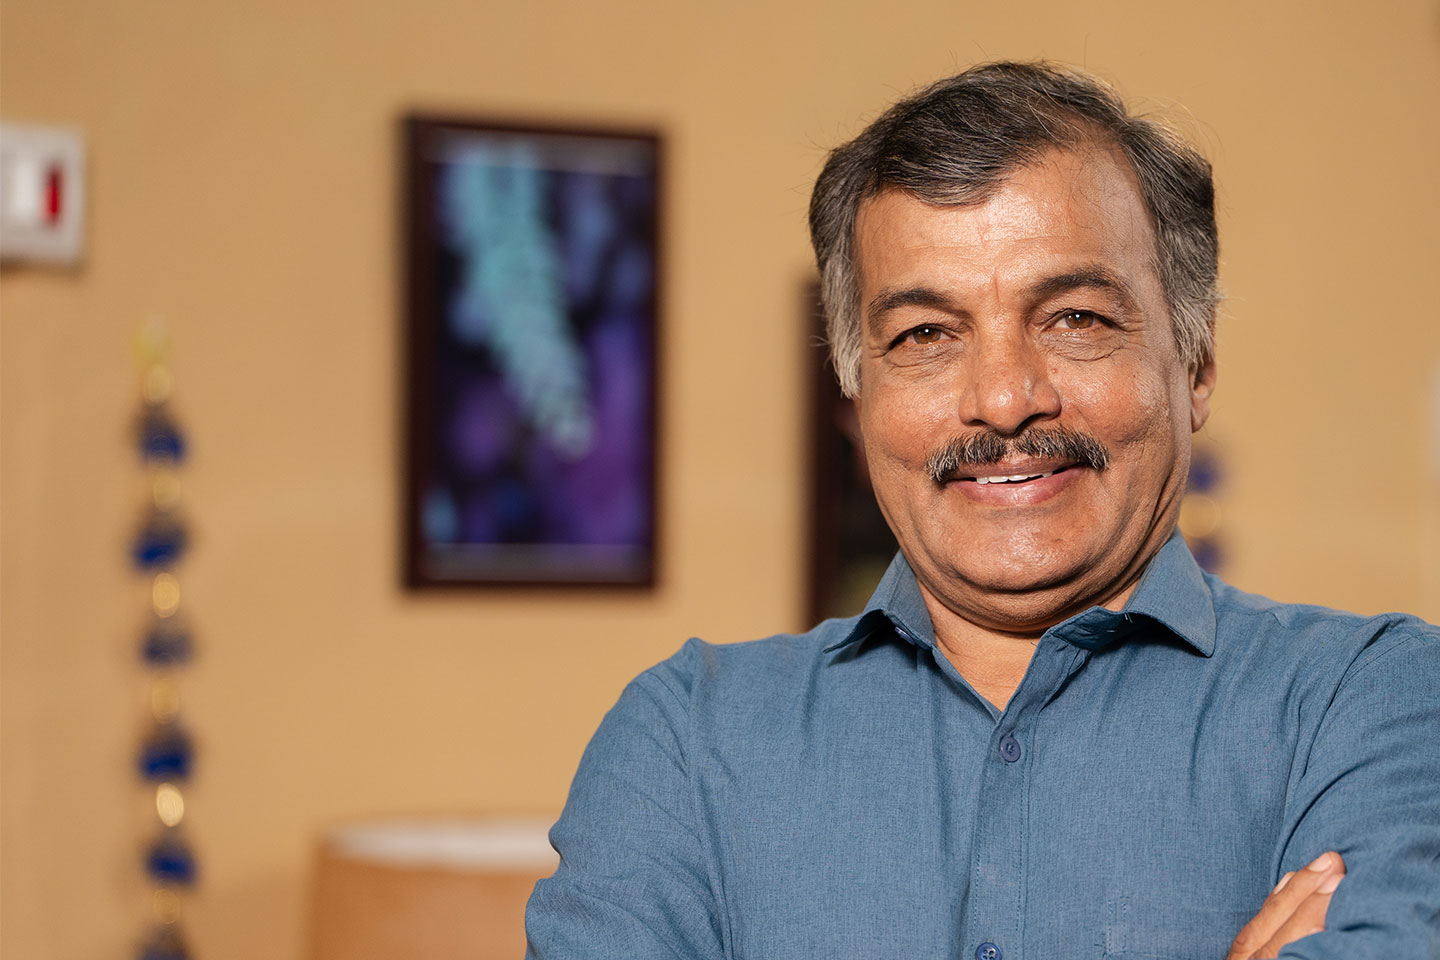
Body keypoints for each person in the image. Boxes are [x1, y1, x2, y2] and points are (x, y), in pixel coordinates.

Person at [524, 62, 1440, 959]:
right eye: (925, 334)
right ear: (857, 396)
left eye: (1075, 318)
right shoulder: (685, 743)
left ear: (1194, 366)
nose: (1004, 401)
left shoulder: (1374, 702)